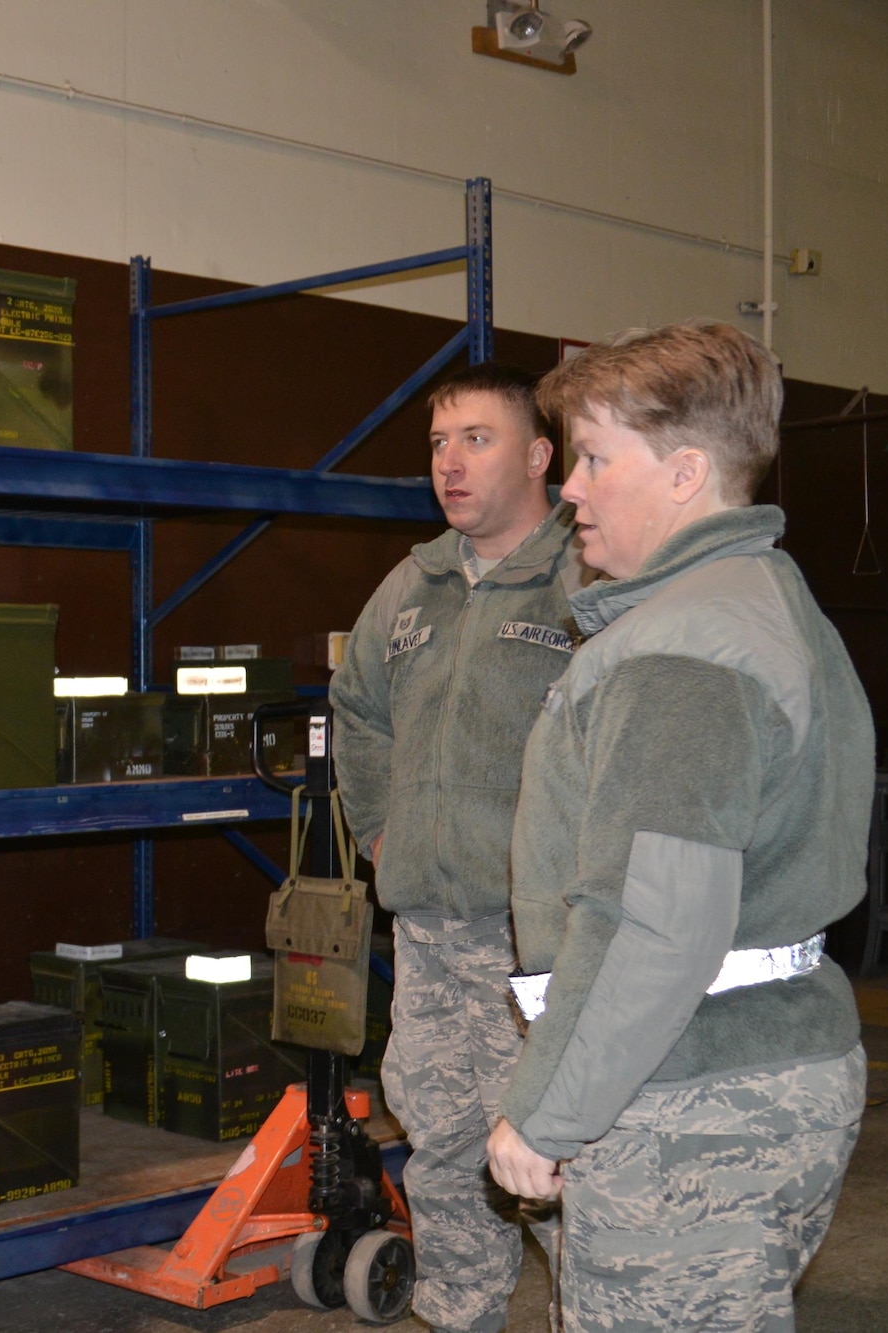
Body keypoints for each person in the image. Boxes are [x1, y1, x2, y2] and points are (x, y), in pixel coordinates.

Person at [487, 321, 872, 1331]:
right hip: (754, 1065)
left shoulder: (680, 654)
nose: (568, 486)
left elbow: (651, 922)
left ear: (684, 473)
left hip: (690, 1094)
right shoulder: (761, 600)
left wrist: (545, 1112)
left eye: (594, 457)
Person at [330, 362, 582, 1333]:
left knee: (557, 1152)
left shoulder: (581, 576)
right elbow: (356, 708)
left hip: (542, 947)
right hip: (431, 937)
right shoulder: (415, 582)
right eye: (437, 444)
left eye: (475, 439)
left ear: (536, 454)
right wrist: (383, 825)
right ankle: (457, 1312)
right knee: (439, 1145)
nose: (450, 463)